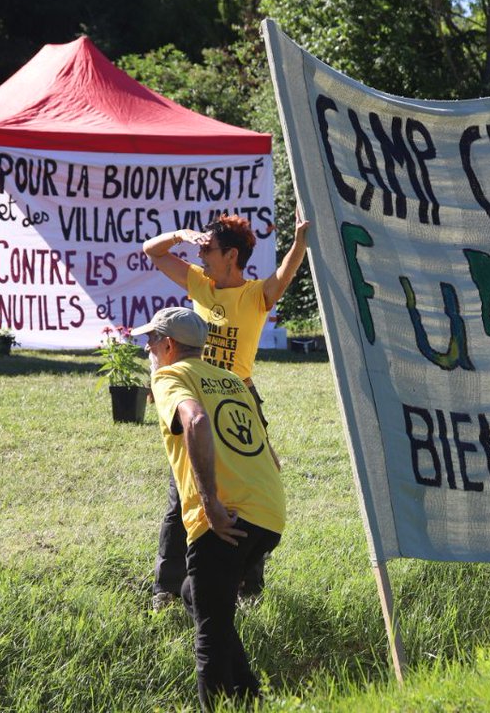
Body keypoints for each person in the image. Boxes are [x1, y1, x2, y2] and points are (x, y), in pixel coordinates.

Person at [142, 214, 309, 610]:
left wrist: (300, 238)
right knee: (182, 495)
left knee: (248, 490)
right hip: (196, 395)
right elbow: (153, 251)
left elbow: (286, 270)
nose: (200, 253)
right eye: (198, 247)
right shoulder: (201, 284)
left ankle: (247, 586)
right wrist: (181, 234)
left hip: (238, 401)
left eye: (207, 248)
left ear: (231, 255)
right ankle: (167, 588)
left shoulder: (256, 295)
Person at [135, 306, 285, 711]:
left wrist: (211, 503)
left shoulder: (170, 376)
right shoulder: (233, 380)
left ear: (168, 345)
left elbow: (196, 421)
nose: (146, 348)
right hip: (268, 513)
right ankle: (253, 698)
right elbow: (272, 456)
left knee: (209, 638)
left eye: (149, 341)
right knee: (195, 595)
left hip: (225, 519)